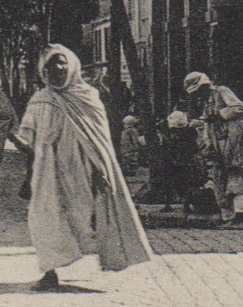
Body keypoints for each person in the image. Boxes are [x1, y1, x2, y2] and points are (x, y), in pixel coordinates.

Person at [16, 45, 152, 290]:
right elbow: (28, 140)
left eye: (61, 65)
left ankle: (107, 258)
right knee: (44, 219)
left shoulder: (88, 97)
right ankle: (50, 271)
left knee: (84, 219)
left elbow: (99, 142)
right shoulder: (40, 100)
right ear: (43, 71)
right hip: (47, 171)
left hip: (83, 172)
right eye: (50, 67)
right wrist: (20, 152)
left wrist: (101, 172)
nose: (56, 71)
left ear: (71, 67)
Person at [192, 79, 243, 229]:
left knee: (239, 176)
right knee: (220, 177)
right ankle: (228, 215)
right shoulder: (207, 101)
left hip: (237, 141)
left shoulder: (222, 91)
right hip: (221, 143)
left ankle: (240, 216)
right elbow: (208, 125)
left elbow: (239, 107)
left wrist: (219, 114)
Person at [151, 110, 204, 217]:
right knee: (185, 183)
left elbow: (167, 147)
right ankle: (185, 204)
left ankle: (172, 204)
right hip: (184, 160)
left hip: (175, 160)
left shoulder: (170, 132)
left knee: (174, 182)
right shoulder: (191, 132)